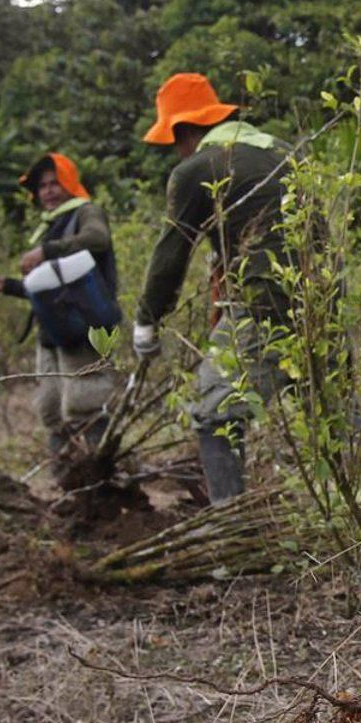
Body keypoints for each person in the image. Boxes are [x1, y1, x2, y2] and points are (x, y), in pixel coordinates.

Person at [132, 73, 291, 504]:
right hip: (322, 300)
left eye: (173, 140)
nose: (176, 150)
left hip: (263, 301)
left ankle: (231, 523)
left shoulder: (198, 168)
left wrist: (147, 320)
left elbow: (171, 254)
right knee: (330, 413)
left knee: (214, 412)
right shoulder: (284, 151)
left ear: (184, 130)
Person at [0, 153, 120, 474]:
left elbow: (98, 239)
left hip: (85, 329)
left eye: (55, 183)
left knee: (86, 403)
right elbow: (52, 287)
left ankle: (101, 482)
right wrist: (9, 285)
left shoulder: (86, 212)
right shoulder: (51, 225)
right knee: (51, 410)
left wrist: (47, 250)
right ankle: (64, 485)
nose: (49, 191)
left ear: (70, 182)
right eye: (42, 186)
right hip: (54, 332)